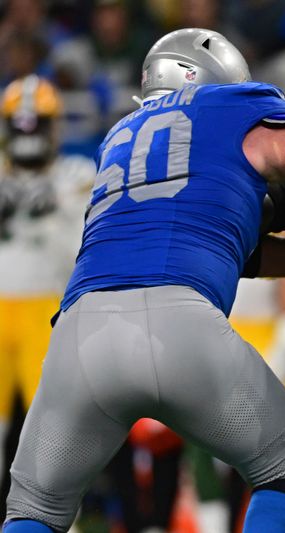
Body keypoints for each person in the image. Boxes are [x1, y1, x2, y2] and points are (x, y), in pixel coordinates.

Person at [3, 27, 285, 533]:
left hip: (79, 335)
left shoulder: (118, 138)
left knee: (33, 511)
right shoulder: (229, 108)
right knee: (284, 471)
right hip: (179, 325)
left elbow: (228, 242)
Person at [0, 75, 94, 518]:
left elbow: (85, 250)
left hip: (46, 312)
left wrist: (55, 207)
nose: (29, 136)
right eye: (21, 127)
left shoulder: (75, 175)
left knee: (52, 431)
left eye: (36, 125)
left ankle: (59, 522)